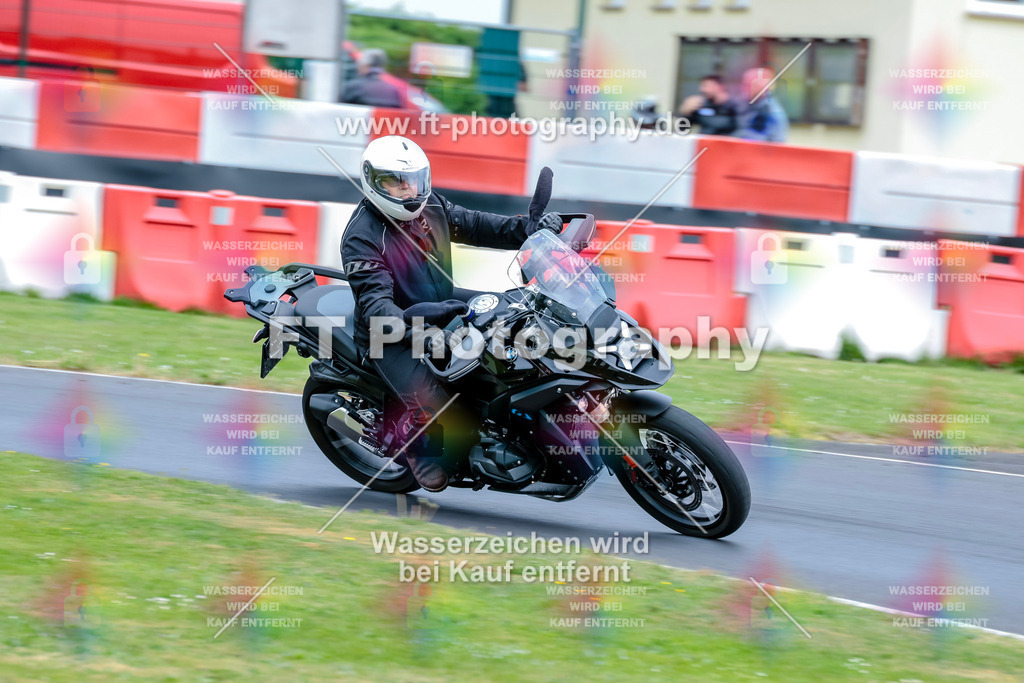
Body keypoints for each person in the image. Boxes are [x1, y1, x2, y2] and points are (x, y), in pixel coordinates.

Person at [341, 136, 562, 492]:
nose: (408, 189)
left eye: (413, 179)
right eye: (396, 181)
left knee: (514, 315)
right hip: (391, 334)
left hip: (440, 304)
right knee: (438, 405)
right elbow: (376, 305)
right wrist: (417, 333)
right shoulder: (362, 237)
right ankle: (417, 448)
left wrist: (528, 230)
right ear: (373, 181)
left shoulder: (431, 207)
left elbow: (475, 224)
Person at [736, 67, 789, 143]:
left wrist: (739, 136)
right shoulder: (745, 104)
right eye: (744, 84)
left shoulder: (772, 111)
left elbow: (775, 143)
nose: (744, 88)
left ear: (763, 86)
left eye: (749, 84)